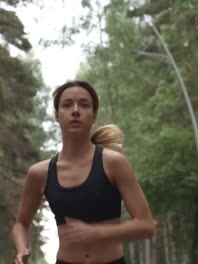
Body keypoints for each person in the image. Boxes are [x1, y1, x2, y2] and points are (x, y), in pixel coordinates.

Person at [12, 80, 155, 264]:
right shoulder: (40, 173)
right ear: (57, 115)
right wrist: (21, 249)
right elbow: (21, 223)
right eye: (67, 104)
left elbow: (146, 225)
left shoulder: (113, 163)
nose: (76, 110)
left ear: (94, 115)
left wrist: (96, 233)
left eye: (84, 105)